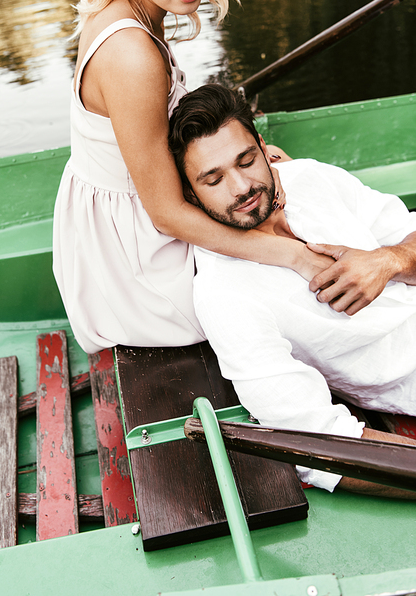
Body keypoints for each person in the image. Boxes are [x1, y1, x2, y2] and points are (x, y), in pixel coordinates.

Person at [52, 0, 378, 356]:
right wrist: (292, 257)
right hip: (140, 267)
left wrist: (249, 153)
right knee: (310, 276)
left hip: (138, 218)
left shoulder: (129, 9)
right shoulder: (131, 55)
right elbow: (164, 214)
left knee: (301, 195)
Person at [168, 83, 416, 495]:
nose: (241, 187)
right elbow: (317, 444)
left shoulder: (310, 177)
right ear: (191, 197)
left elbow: (407, 232)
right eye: (214, 179)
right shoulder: (224, 295)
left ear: (265, 150)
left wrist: (390, 260)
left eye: (246, 161)